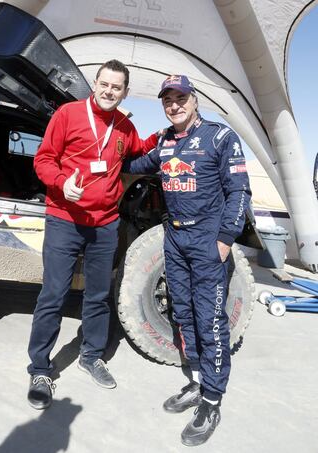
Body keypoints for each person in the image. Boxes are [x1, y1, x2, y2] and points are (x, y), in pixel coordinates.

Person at [123, 75, 251, 446]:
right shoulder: (164, 141)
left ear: (194, 100)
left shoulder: (220, 137)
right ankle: (197, 381)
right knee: (182, 311)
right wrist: (114, 135)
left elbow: (240, 191)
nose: (174, 104)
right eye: (168, 100)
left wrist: (225, 239)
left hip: (207, 239)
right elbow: (133, 160)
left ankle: (212, 398)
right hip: (174, 238)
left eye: (181, 98)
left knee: (210, 319)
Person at [27, 60, 158, 410]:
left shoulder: (124, 126)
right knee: (53, 295)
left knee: (98, 296)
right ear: (95, 84)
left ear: (125, 92)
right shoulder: (69, 114)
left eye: (117, 87)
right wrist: (60, 181)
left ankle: (91, 356)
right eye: (104, 84)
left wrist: (163, 137)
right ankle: (40, 368)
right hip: (64, 219)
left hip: (104, 224)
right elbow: (44, 160)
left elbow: (137, 149)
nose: (109, 91)